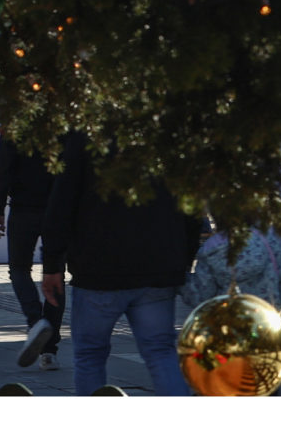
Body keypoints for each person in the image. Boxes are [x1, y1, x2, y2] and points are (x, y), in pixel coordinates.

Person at [40, 132, 200, 397]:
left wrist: (51, 265)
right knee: (161, 352)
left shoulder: (88, 133)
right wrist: (183, 258)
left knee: (90, 355)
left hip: (98, 269)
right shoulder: (165, 132)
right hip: (157, 268)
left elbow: (61, 202)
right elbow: (191, 203)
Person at [0, 132, 61, 368]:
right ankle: (49, 352)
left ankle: (36, 321)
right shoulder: (64, 119)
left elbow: (3, 166)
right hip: (56, 208)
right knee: (55, 274)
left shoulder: (17, 122)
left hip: (23, 208)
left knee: (19, 269)